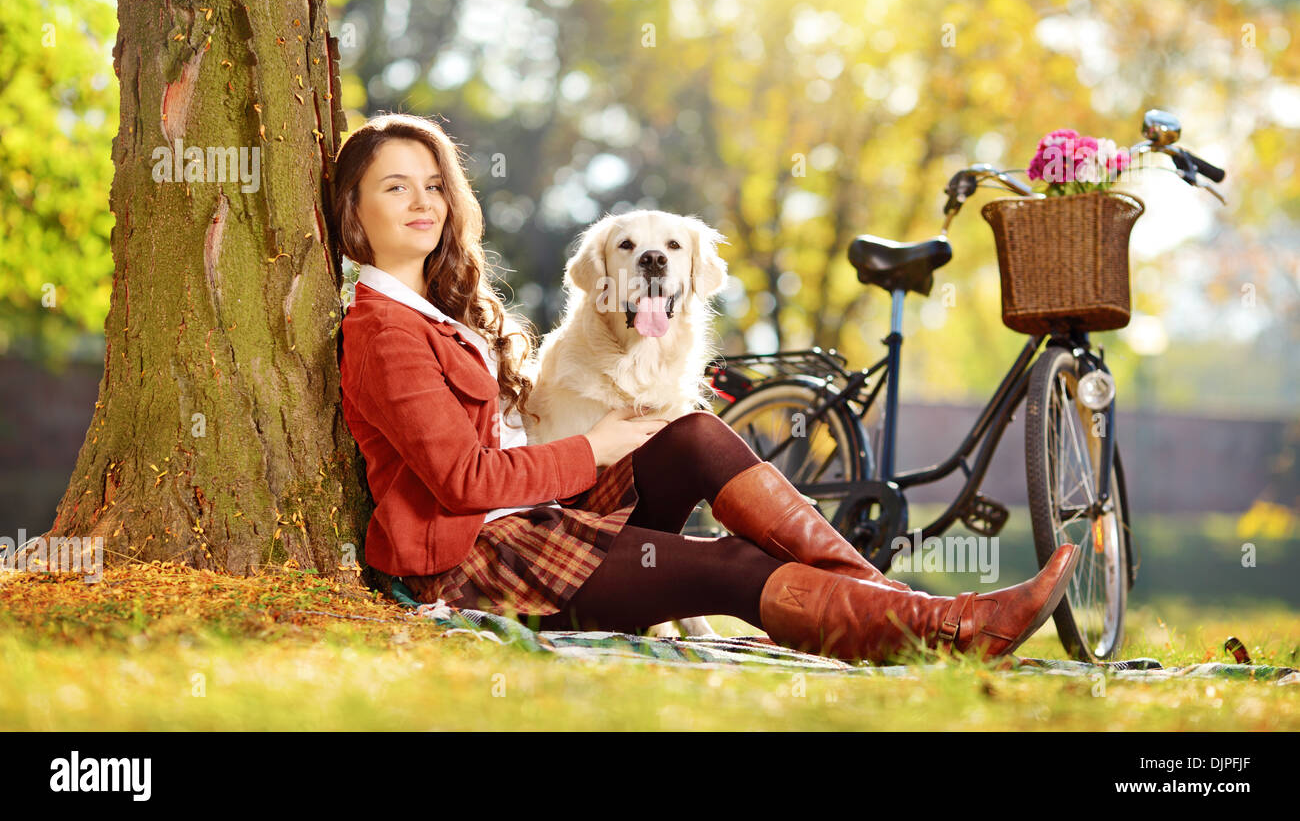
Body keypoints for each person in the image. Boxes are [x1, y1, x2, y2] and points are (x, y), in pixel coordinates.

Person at [326, 112, 1080, 666]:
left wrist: (605, 445)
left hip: (538, 521)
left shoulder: (441, 313)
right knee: (732, 567)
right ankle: (942, 630)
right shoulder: (384, 331)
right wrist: (597, 446)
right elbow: (463, 482)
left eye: (434, 184)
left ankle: (916, 615)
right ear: (355, 212)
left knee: (688, 434)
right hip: (480, 569)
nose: (423, 200)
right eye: (395, 187)